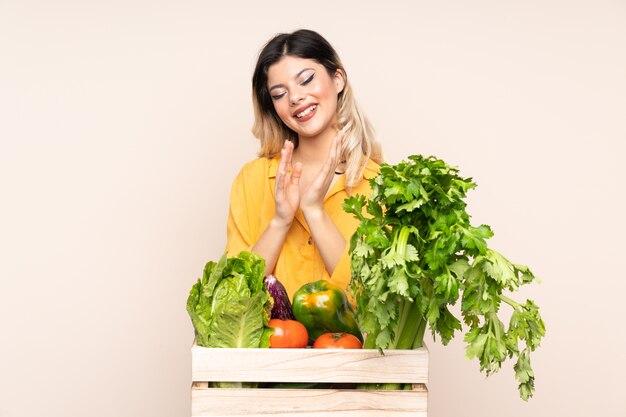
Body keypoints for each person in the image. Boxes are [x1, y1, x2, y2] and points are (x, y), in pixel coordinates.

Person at [225, 29, 383, 300]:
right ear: (273, 107)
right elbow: (233, 301)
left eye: (306, 80)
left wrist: (314, 211)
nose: (295, 98)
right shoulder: (252, 180)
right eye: (279, 94)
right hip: (271, 343)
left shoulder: (380, 184)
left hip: (350, 344)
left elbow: (371, 304)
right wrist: (280, 221)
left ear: (338, 79)